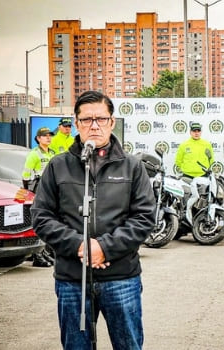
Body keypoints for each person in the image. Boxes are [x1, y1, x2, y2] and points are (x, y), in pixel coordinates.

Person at [31, 90, 156, 349]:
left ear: (112, 122)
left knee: (129, 345)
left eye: (101, 118)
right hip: (72, 280)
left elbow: (143, 218)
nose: (94, 125)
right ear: (76, 124)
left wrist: (104, 248)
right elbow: (41, 217)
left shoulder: (132, 167)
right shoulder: (58, 166)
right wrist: (80, 245)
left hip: (121, 277)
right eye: (86, 120)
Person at [22, 126, 56, 268]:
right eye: (45, 136)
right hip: (38, 190)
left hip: (51, 191)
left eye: (50, 135)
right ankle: (37, 255)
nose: (48, 138)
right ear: (38, 138)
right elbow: (26, 176)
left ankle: (44, 252)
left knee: (50, 222)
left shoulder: (52, 153)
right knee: (38, 222)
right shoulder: (34, 154)